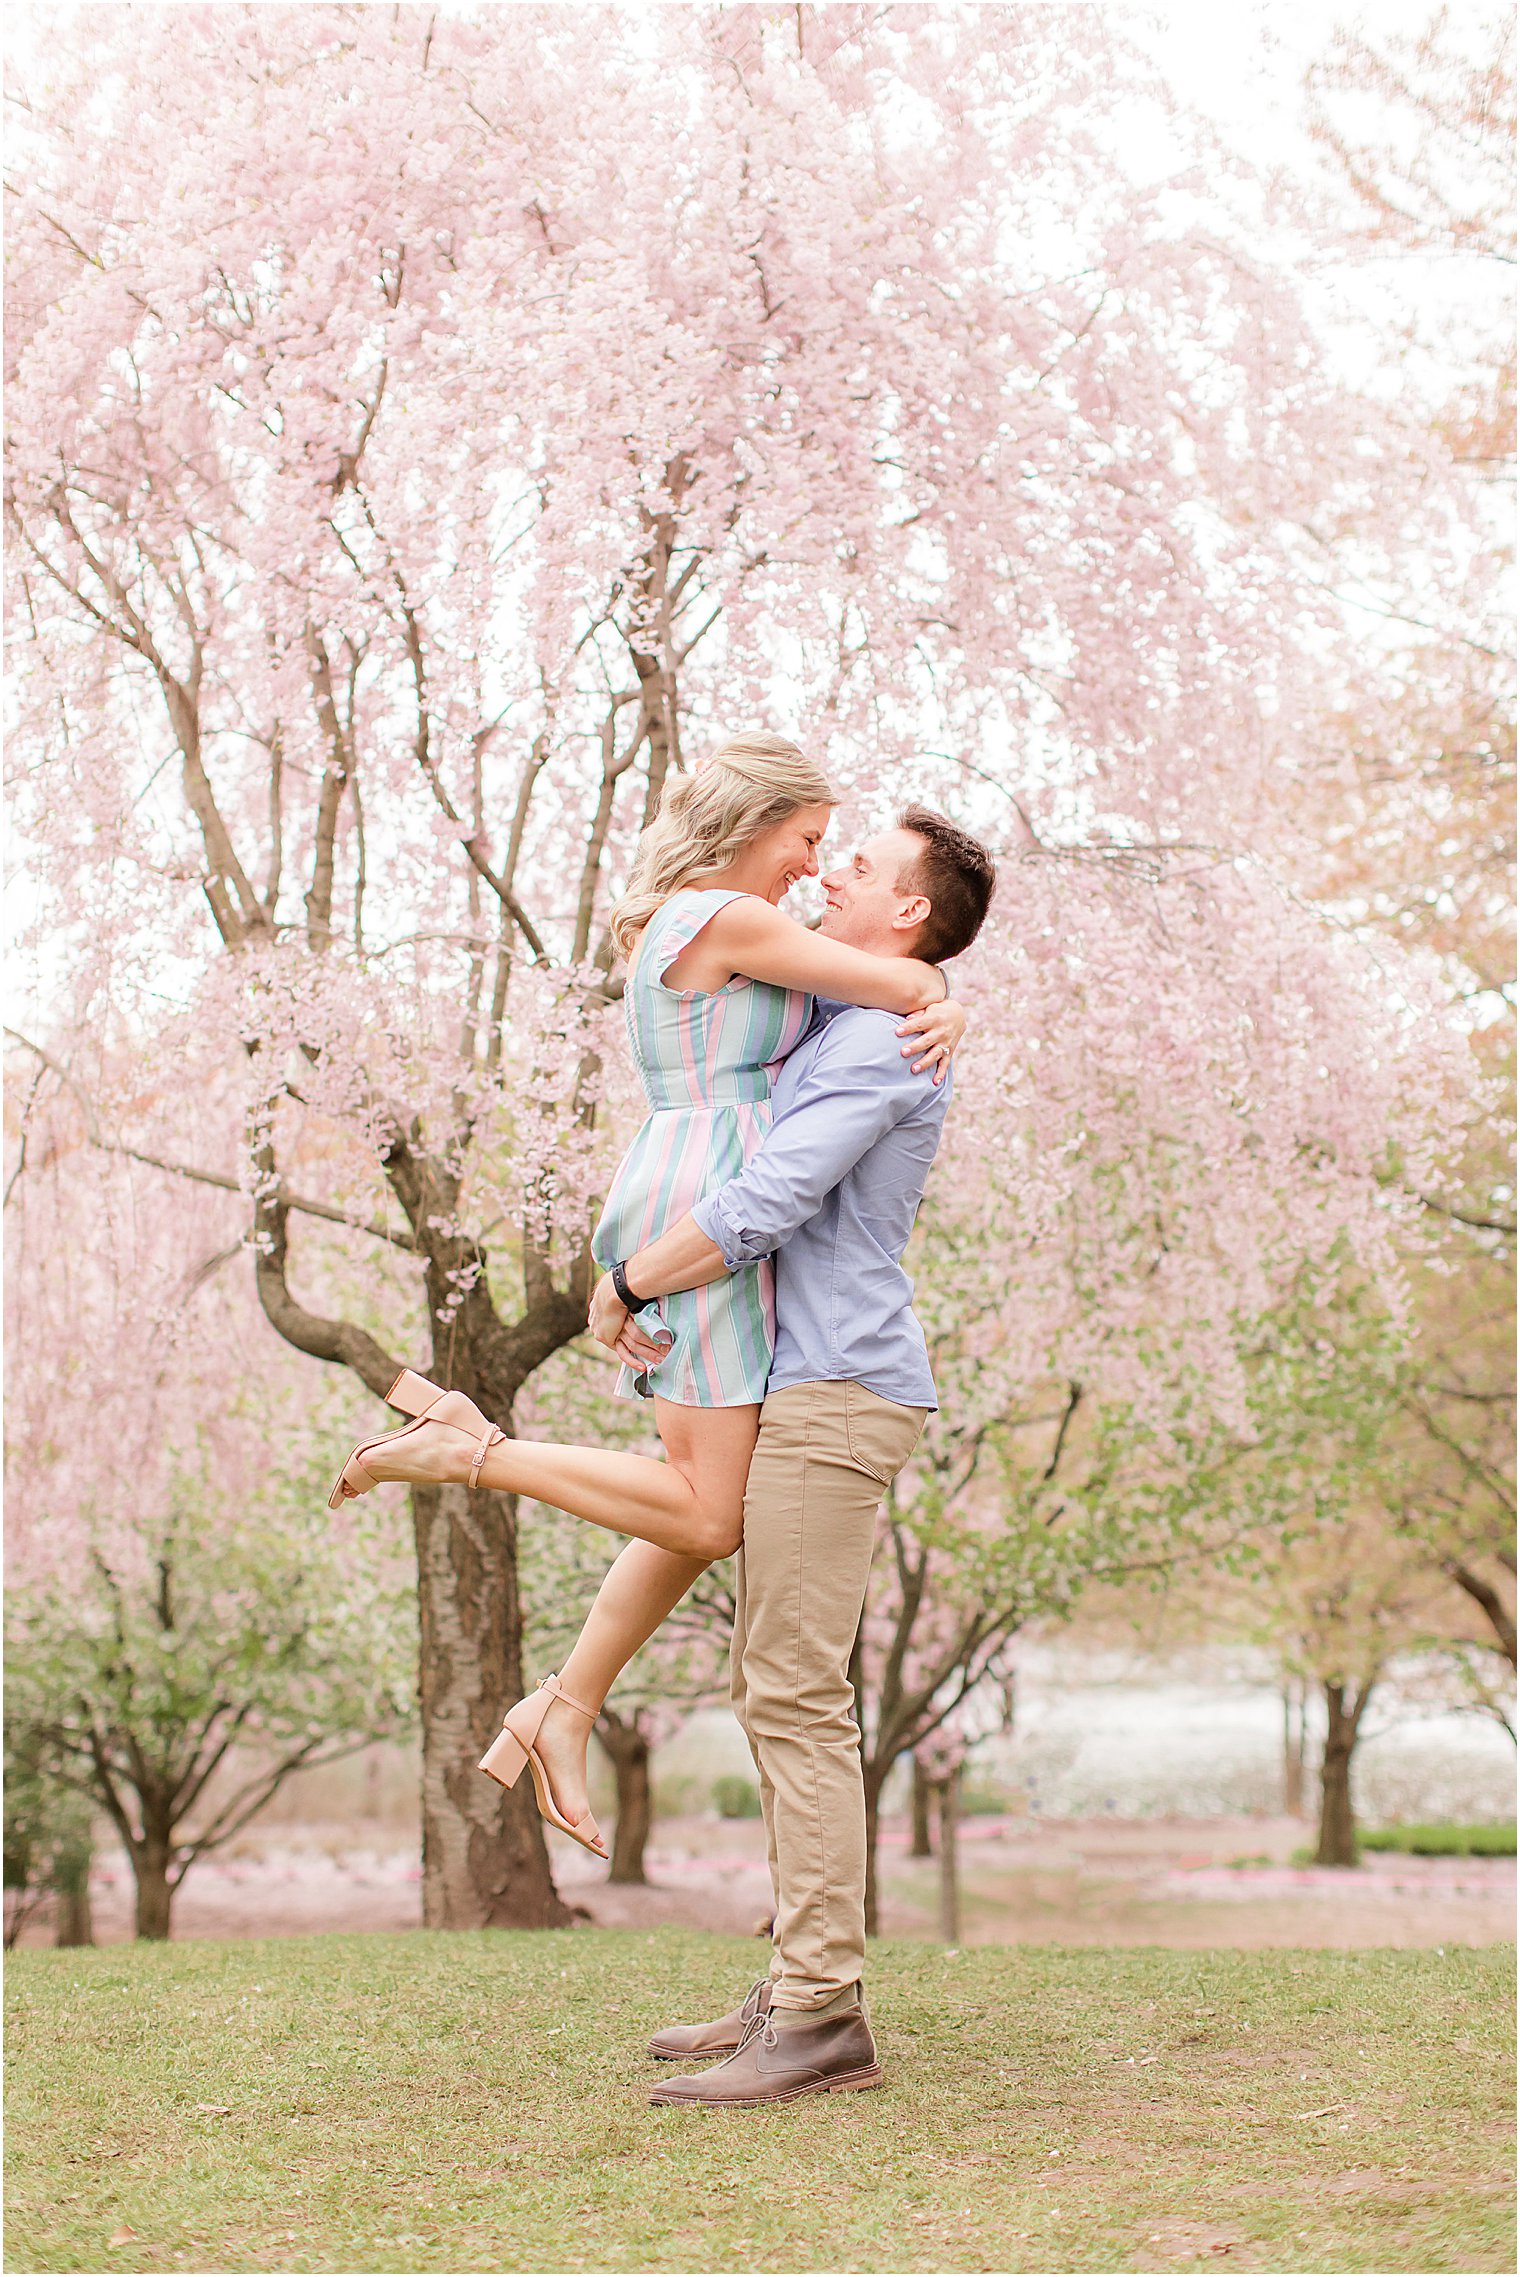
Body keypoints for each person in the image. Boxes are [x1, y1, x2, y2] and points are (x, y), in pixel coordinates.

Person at [328, 731, 965, 1859]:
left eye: (832, 853)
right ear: (755, 822)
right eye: (808, 841)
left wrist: (929, 988)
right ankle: (469, 1449)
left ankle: (563, 1701)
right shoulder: (725, 918)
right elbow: (899, 977)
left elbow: (875, 985)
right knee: (708, 1510)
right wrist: (940, 996)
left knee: (699, 1494)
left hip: (702, 1185)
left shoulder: (733, 923)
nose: (814, 869)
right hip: (710, 1198)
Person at [586, 804, 996, 2107]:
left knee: (795, 1689)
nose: (832, 873)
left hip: (837, 1387)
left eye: (862, 867)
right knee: (781, 1687)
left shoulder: (880, 1047)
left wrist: (628, 1279)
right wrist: (939, 985)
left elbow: (770, 1203)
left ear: (912, 910)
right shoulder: (861, 1008)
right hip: (800, 1380)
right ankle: (797, 1980)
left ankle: (822, 2014)